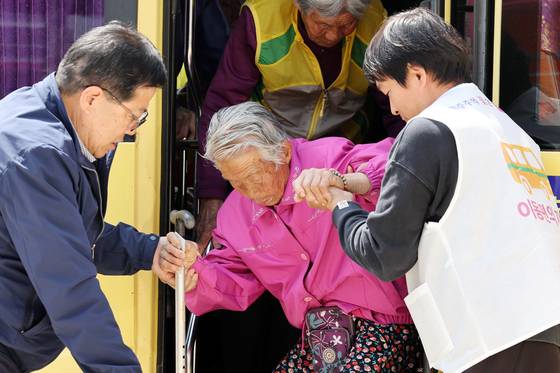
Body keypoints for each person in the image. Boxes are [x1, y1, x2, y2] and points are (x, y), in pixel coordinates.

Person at [306, 8, 560, 373]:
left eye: (389, 91)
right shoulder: (506, 127)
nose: (392, 108)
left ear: (417, 74)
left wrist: (341, 204)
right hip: (543, 328)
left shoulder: (429, 131)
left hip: (489, 336)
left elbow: (384, 254)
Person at [159, 102, 423, 372]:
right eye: (235, 182)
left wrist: (346, 182)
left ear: (283, 152)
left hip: (384, 324)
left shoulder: (328, 160)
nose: (248, 190)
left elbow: (399, 167)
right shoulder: (235, 215)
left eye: (253, 175)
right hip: (320, 336)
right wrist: (192, 271)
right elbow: (230, 279)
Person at [0, 22, 176, 372]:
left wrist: (149, 250)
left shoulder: (42, 116)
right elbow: (69, 287)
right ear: (93, 98)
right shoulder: (36, 154)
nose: (130, 131)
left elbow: (73, 235)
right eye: (134, 117)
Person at [195, 0, 402, 250]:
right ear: (299, 6)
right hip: (271, 161)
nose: (333, 35)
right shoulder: (262, 20)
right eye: (322, 25)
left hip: (341, 162)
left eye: (346, 25)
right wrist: (211, 195)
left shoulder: (374, 22)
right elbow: (222, 103)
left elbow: (394, 104)